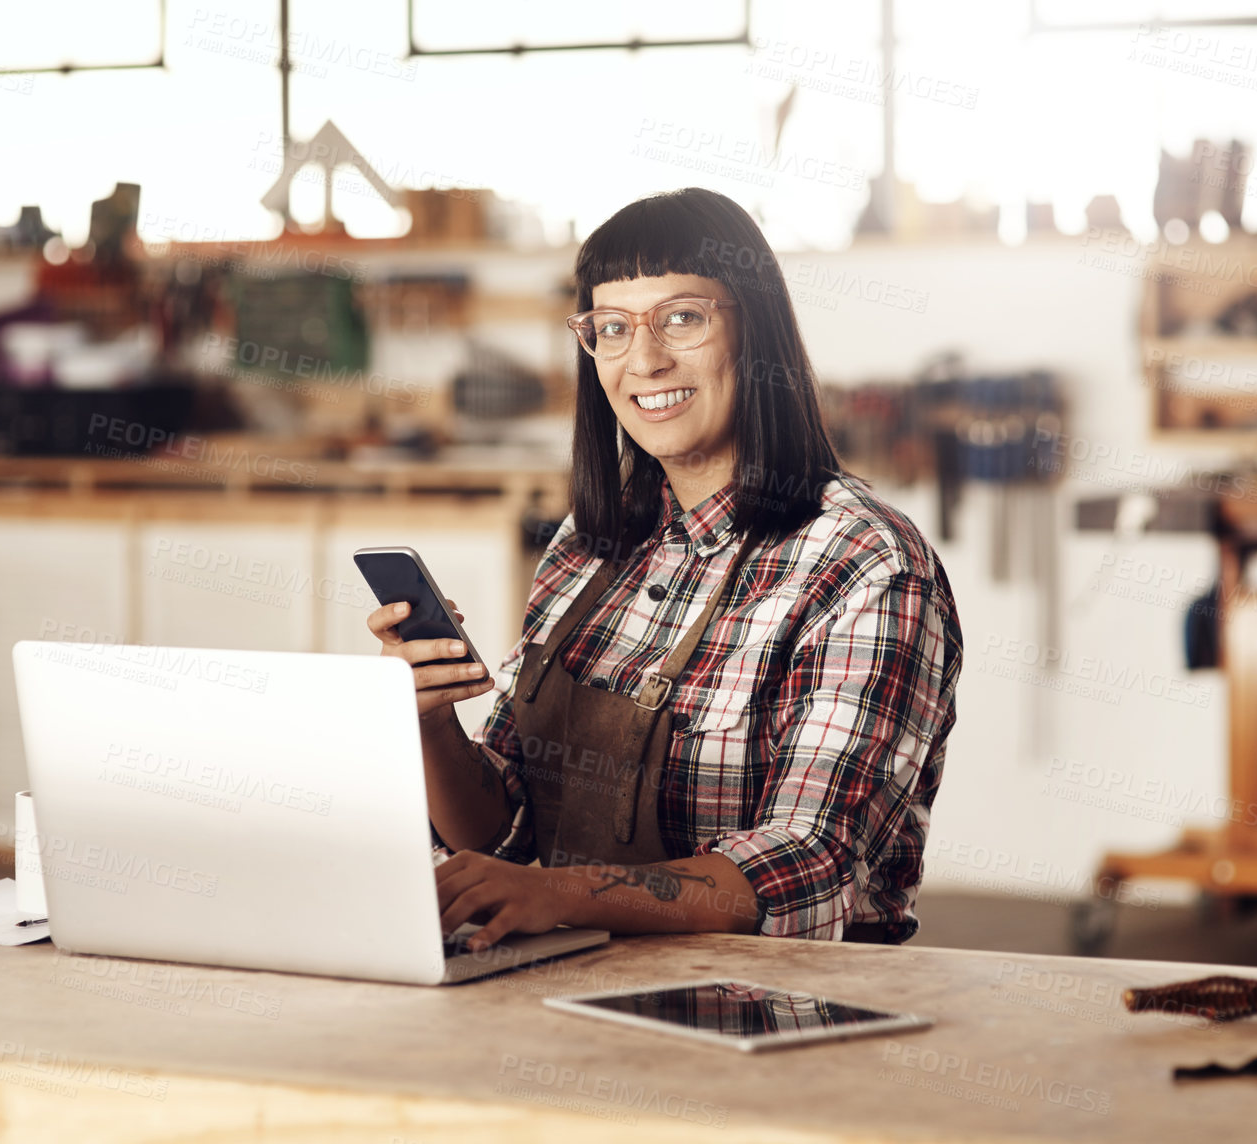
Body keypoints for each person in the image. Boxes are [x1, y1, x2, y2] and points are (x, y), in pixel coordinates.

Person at [370, 187, 961, 950]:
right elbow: (507, 829)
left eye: (682, 318)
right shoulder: (588, 547)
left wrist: (559, 893)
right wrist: (429, 722)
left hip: (779, 1018)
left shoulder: (864, 566)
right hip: (574, 997)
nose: (643, 360)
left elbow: (814, 864)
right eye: (611, 328)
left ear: (758, 331)